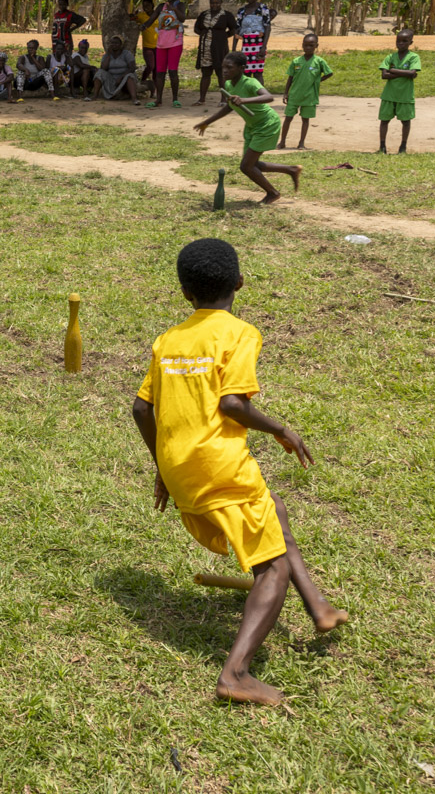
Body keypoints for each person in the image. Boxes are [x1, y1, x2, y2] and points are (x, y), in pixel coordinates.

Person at [132, 237, 348, 705]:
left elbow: (140, 410)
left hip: (182, 467)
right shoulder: (239, 333)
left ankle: (318, 606)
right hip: (221, 466)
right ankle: (236, 674)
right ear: (239, 283)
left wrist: (162, 469)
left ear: (185, 293)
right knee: (271, 568)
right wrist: (280, 429)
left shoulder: (169, 340)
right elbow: (233, 404)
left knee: (275, 510)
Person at [195, 53, 301, 205]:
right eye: (223, 67)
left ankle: (273, 193)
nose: (224, 71)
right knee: (252, 164)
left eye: (229, 68)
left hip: (266, 124)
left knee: (246, 166)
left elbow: (268, 97)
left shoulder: (250, 83)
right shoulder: (229, 85)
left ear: (241, 68)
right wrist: (207, 122)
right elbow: (229, 107)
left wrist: (244, 100)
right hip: (252, 126)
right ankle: (291, 170)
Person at [279, 33, 334, 150]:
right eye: (305, 45)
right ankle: (282, 142)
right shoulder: (296, 61)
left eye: (311, 45)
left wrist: (318, 80)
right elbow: (290, 78)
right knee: (288, 118)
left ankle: (301, 143)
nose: (308, 48)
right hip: (294, 95)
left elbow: (329, 73)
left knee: (305, 119)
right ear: (302, 46)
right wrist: (286, 93)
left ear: (316, 46)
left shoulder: (319, 61)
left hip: (310, 96)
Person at [378, 29, 420, 154]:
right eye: (398, 41)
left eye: (404, 41)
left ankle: (403, 146)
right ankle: (382, 146)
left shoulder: (414, 57)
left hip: (405, 96)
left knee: (406, 121)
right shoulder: (390, 57)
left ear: (410, 42)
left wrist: (394, 70)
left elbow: (413, 72)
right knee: (384, 121)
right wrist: (405, 74)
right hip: (389, 95)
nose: (400, 44)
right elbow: (384, 75)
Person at [194, 0, 237, 105]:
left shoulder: (226, 15)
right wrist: (204, 34)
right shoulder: (204, 14)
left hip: (220, 48)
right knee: (206, 73)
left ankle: (224, 99)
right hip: (205, 49)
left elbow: (233, 29)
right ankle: (202, 99)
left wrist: (222, 36)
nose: (215, 5)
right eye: (212, 3)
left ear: (221, 3)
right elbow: (196, 28)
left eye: (217, 3)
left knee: (221, 73)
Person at [149, 0, 186, 108]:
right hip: (161, 44)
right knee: (160, 73)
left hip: (175, 43)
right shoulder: (161, 6)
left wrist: (173, 9)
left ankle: (175, 99)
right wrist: (143, 26)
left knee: (172, 72)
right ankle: (158, 99)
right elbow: (152, 18)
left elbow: (182, 18)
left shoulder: (180, 5)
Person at [234, 0, 277, 82]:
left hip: (258, 45)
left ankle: (261, 97)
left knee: (258, 73)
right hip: (246, 46)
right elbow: (237, 29)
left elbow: (267, 28)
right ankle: (248, 96)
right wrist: (233, 49)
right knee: (246, 73)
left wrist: (263, 47)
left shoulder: (263, 9)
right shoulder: (242, 11)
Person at [95, 36, 142, 104]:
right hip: (111, 78)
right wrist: (108, 54)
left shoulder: (126, 54)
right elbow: (103, 68)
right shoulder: (107, 55)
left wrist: (121, 77)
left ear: (121, 45)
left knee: (129, 76)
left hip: (124, 78)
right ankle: (95, 96)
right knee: (100, 73)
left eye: (116, 43)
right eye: (112, 43)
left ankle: (134, 99)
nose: (114, 45)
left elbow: (132, 68)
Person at [130, 0, 159, 88]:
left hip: (159, 46)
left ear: (152, 5)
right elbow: (131, 19)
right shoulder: (141, 16)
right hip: (147, 46)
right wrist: (132, 16)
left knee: (157, 69)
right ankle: (142, 81)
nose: (146, 7)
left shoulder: (159, 15)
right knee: (150, 66)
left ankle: (155, 88)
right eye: (144, 5)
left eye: (148, 5)